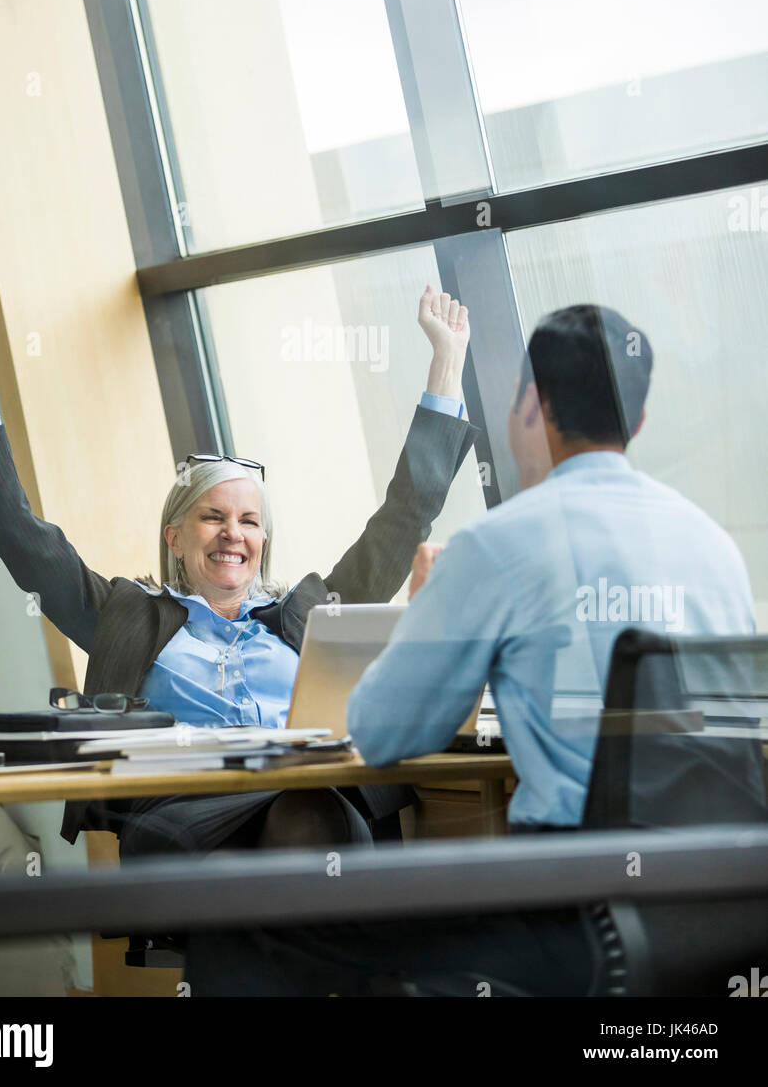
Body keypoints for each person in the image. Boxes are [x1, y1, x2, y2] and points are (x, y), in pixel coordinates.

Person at [181, 303, 765, 995]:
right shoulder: (714, 547)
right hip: (722, 906)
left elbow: (381, 728)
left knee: (234, 917)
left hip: (571, 914)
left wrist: (430, 608)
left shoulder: (499, 544)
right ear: (636, 424)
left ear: (532, 407)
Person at [0, 287, 478, 858]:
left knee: (310, 811)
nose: (233, 534)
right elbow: (21, 537)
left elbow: (403, 519)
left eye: (248, 521)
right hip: (185, 810)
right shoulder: (128, 615)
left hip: (306, 795)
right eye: (212, 517)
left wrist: (448, 359)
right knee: (309, 822)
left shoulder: (312, 613)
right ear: (175, 535)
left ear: (263, 540)